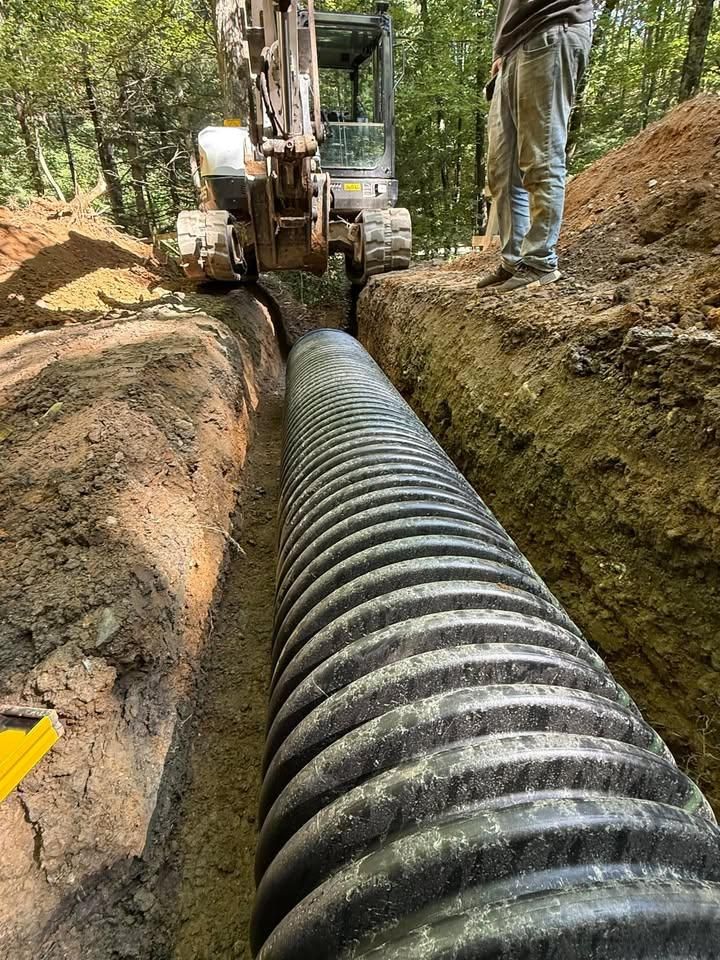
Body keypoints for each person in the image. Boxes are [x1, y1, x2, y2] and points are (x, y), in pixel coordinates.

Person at [477, 0, 593, 294]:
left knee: (540, 156)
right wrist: (499, 50)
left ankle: (540, 262)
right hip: (511, 49)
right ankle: (514, 261)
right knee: (500, 170)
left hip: (551, 25)